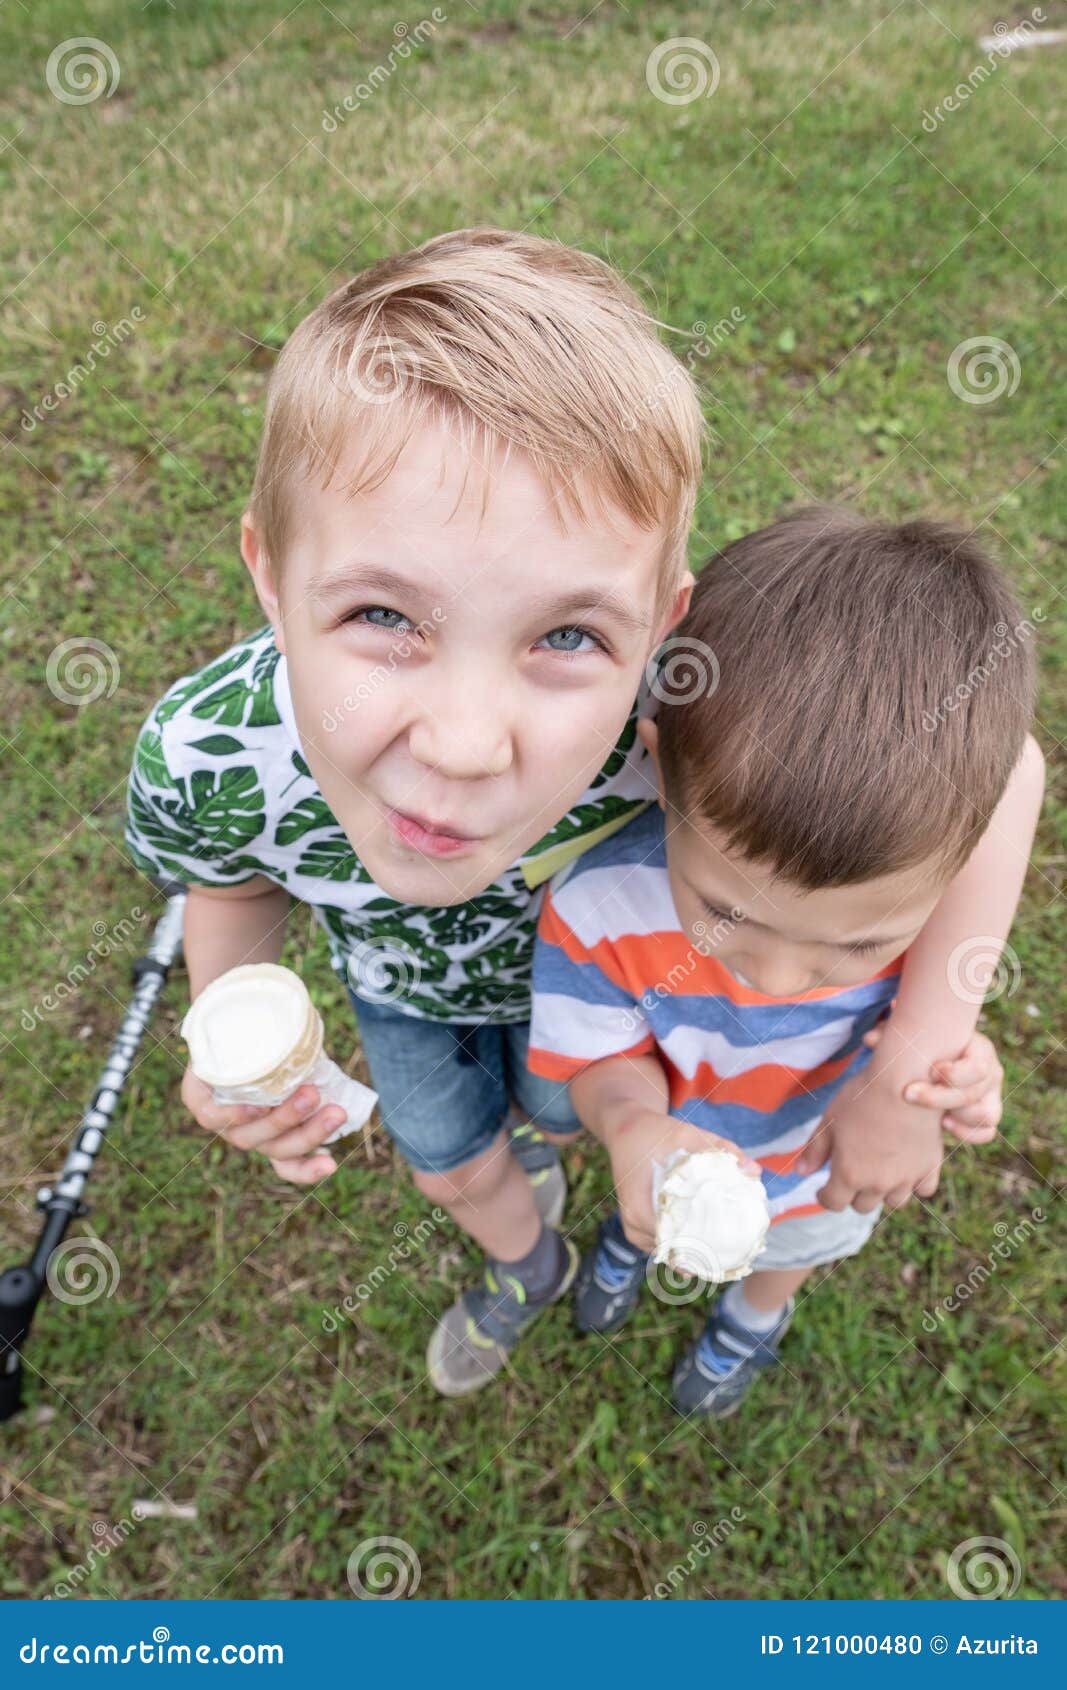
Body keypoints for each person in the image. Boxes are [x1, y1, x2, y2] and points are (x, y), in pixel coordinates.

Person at [124, 230, 1018, 1398]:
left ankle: (548, 1167)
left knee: (561, 1115)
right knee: (448, 1163)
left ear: (659, 629)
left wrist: (904, 1069)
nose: (462, 743)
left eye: (565, 636)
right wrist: (230, 1034)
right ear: (267, 571)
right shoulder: (207, 758)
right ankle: (521, 1257)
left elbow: (999, 775)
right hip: (400, 992)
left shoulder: (682, 711)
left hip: (611, 1005)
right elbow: (235, 882)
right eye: (382, 615)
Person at [528, 508, 1043, 1417]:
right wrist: (629, 1131)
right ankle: (628, 1243)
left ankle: (746, 1325)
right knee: (648, 1214)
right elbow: (596, 1056)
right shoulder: (601, 908)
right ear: (664, 772)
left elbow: (949, 1066)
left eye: (856, 947)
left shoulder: (930, 920)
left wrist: (946, 1087)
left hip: (814, 1181)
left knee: (790, 1255)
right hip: (673, 1151)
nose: (772, 978)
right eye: (725, 912)